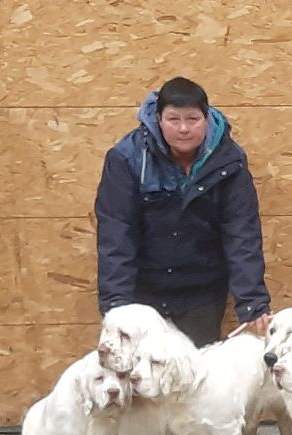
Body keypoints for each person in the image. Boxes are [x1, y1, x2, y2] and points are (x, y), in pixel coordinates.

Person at [95, 77, 271, 347]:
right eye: (173, 119)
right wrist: (116, 304)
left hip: (202, 291)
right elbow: (116, 233)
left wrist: (253, 302)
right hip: (144, 290)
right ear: (158, 119)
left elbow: (241, 232)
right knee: (142, 377)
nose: (184, 128)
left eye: (192, 119)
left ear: (207, 118)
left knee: (195, 378)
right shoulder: (127, 158)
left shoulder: (229, 161)